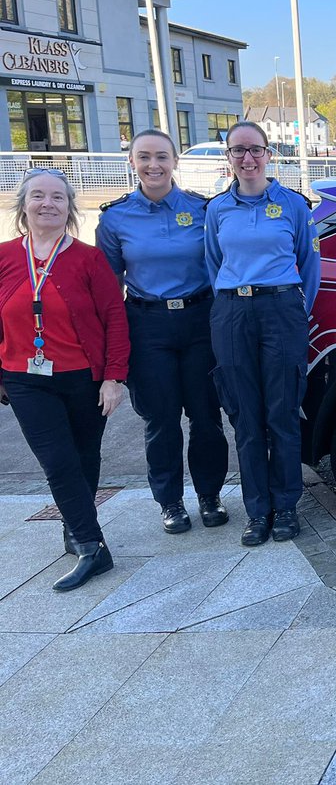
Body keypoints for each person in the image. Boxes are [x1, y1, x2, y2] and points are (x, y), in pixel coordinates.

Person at [0, 168, 128, 591]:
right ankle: (93, 546)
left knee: (84, 458)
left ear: (69, 208)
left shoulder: (88, 258)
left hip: (83, 377)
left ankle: (75, 529)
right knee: (57, 461)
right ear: (24, 205)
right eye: (38, 196)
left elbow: (114, 317)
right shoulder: (4, 257)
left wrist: (113, 377)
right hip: (24, 378)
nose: (47, 204)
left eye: (57, 197)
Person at [96, 129, 230, 535]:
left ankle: (210, 495)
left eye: (161, 157)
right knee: (161, 419)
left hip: (199, 320)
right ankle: (170, 501)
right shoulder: (115, 217)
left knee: (206, 416)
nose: (153, 165)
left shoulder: (203, 209)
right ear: (131, 162)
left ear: (175, 162)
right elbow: (107, 288)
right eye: (144, 157)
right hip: (147, 323)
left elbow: (222, 265)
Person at [205, 121, 320, 546]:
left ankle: (286, 506)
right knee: (245, 417)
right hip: (234, 311)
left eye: (256, 150)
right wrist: (232, 303)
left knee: (283, 412)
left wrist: (295, 309)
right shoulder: (217, 209)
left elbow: (309, 265)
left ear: (270, 154)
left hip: (281, 310)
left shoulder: (292, 205)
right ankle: (258, 510)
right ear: (229, 157)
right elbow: (212, 263)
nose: (248, 158)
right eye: (238, 151)